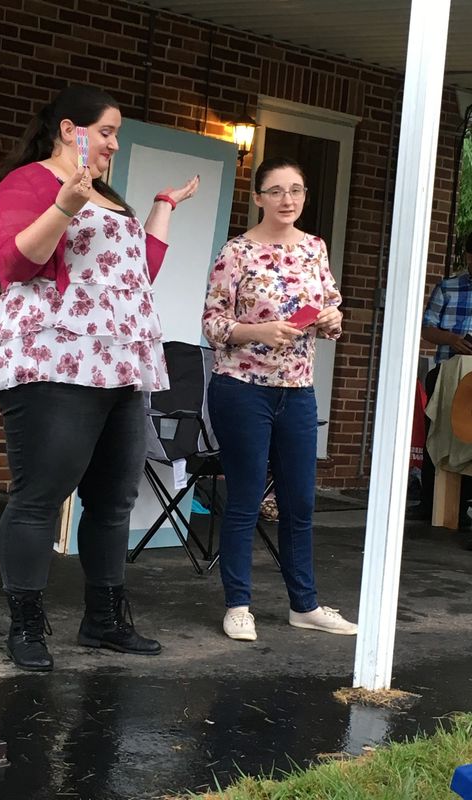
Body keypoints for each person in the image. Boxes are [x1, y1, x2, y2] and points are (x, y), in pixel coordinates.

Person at [0, 85, 199, 671]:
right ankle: (25, 626)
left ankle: (103, 621)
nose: (114, 144)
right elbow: (15, 263)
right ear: (70, 129)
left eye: (116, 134)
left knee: (113, 498)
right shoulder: (26, 184)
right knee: (40, 496)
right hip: (53, 359)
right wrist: (66, 204)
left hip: (118, 360)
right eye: (106, 132)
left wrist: (161, 207)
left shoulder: (106, 194)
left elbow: (134, 272)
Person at [201, 156, 357, 642]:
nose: (288, 200)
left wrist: (332, 321)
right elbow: (211, 325)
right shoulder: (238, 251)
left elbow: (329, 305)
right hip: (242, 389)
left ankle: (304, 605)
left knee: (299, 503)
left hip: (298, 391)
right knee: (246, 500)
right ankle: (238, 604)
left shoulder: (315, 248)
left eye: (297, 190)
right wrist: (258, 330)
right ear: (258, 197)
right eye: (276, 191)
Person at [406, 233, 472, 530]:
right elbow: (427, 330)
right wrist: (452, 340)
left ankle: (464, 508)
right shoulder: (448, 287)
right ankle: (430, 503)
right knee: (438, 433)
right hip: (447, 370)